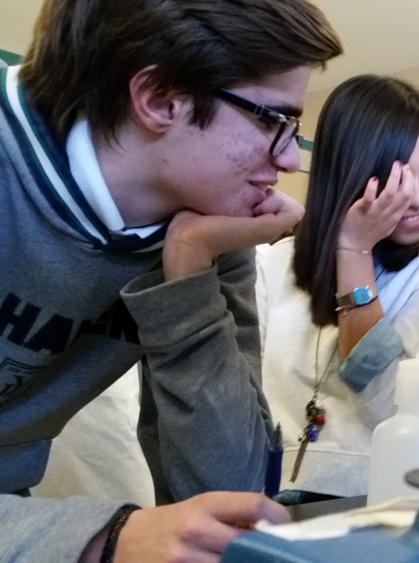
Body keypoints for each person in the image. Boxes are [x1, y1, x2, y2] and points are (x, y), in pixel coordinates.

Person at [0, 0, 341, 561]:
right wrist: (102, 539)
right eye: (271, 121)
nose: (289, 161)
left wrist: (189, 268)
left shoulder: (204, 225)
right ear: (159, 98)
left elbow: (232, 494)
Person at [256, 75, 419, 501]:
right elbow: (249, 404)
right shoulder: (276, 262)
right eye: (397, 180)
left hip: (392, 499)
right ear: (347, 175)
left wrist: (354, 251)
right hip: (271, 499)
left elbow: (390, 405)